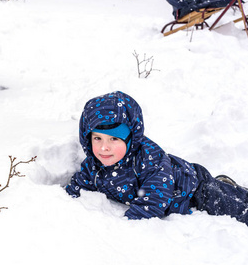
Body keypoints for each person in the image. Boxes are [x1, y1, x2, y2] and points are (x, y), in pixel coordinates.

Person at [65, 91, 248, 226]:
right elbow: (78, 185)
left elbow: (152, 202)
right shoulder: (93, 166)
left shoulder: (149, 159)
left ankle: (229, 189)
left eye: (114, 139)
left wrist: (125, 226)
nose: (104, 147)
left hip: (194, 188)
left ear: (131, 139)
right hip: (183, 193)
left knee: (237, 208)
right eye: (97, 138)